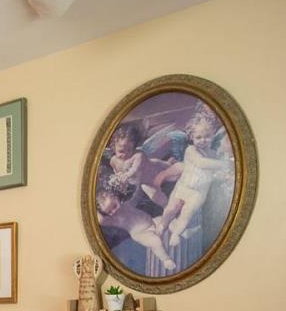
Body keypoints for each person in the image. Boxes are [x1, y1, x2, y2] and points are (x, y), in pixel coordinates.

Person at [152, 106, 232, 248]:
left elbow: (213, 174)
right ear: (191, 137)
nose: (203, 140)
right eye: (198, 137)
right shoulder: (191, 150)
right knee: (171, 209)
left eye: (207, 136)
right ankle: (163, 225)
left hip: (198, 193)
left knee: (186, 214)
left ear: (213, 135)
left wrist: (222, 175)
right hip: (182, 187)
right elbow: (201, 163)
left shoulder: (213, 154)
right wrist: (224, 165)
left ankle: (176, 234)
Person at [97, 188, 176, 274]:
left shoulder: (128, 204)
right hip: (141, 234)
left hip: (153, 222)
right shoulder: (113, 220)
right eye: (109, 212)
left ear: (116, 198)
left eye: (114, 206)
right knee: (156, 241)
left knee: (170, 220)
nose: (113, 211)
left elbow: (138, 194)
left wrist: (137, 180)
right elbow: (100, 220)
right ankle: (165, 259)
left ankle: (178, 234)